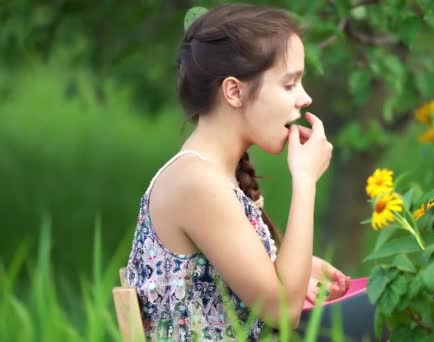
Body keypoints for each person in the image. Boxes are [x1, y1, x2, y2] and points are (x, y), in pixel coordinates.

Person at [124, 3, 352, 341]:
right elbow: (282, 312)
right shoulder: (196, 183)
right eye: (290, 85)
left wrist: (296, 268)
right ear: (234, 91)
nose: (304, 98)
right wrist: (305, 182)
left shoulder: (211, 176)